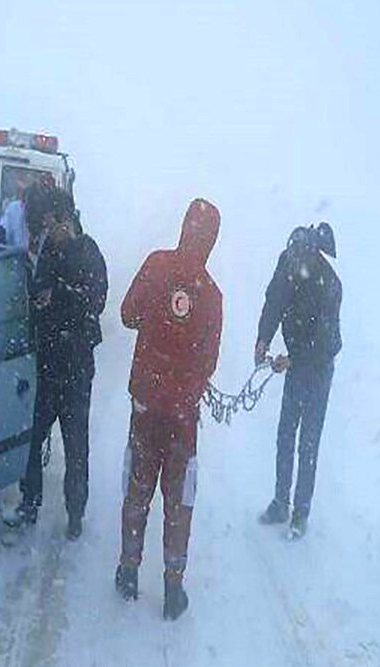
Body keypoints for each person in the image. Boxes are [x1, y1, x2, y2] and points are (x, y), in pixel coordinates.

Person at [115, 198, 222, 621]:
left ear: (183, 228)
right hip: (182, 416)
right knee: (179, 500)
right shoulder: (211, 295)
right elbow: (210, 361)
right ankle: (173, 586)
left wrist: (153, 325)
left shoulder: (156, 265)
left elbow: (126, 315)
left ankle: (128, 570)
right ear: (212, 240)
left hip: (145, 405)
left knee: (138, 487)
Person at [4, 185, 108, 541]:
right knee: (33, 439)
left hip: (77, 367)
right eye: (46, 223)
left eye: (54, 222)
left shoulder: (90, 252)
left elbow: (96, 302)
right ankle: (29, 503)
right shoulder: (49, 248)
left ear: (69, 220)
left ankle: (75, 514)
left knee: (76, 446)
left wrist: (60, 294)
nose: (50, 229)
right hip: (47, 364)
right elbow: (37, 291)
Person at [254, 222, 342, 540]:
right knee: (285, 434)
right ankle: (280, 502)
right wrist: (263, 338)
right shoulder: (288, 263)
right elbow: (274, 301)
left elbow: (329, 342)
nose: (294, 266)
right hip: (296, 365)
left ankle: (300, 514)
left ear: (313, 257)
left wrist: (294, 359)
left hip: (318, 369)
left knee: (308, 443)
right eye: (292, 259)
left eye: (299, 261)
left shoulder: (330, 285)